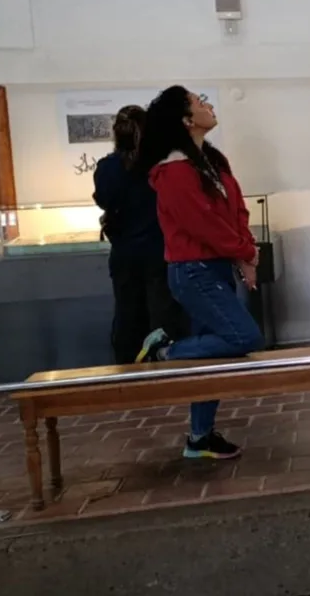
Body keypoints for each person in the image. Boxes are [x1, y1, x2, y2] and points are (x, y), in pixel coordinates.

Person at [134, 86, 264, 460]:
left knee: (212, 358)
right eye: (198, 101)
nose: (208, 104)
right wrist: (244, 251)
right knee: (245, 337)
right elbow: (201, 224)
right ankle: (164, 351)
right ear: (186, 120)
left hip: (215, 266)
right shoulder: (173, 170)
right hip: (194, 271)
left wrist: (246, 252)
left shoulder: (210, 160)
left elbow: (236, 210)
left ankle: (199, 438)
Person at [92, 105, 187, 364]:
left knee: (127, 316)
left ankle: (127, 371)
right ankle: (164, 367)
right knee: (163, 316)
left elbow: (103, 200)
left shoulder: (107, 167)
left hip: (124, 253)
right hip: (160, 250)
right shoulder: (159, 166)